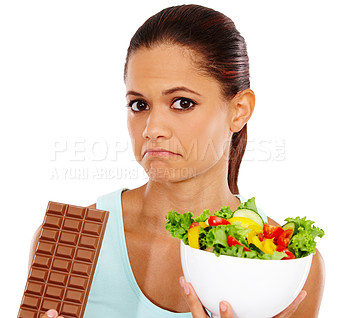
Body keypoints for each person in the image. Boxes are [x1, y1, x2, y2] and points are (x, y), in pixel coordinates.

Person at [33, 4, 325, 318]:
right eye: (139, 104)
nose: (152, 129)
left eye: (182, 103)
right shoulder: (68, 240)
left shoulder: (288, 265)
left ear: (239, 110)